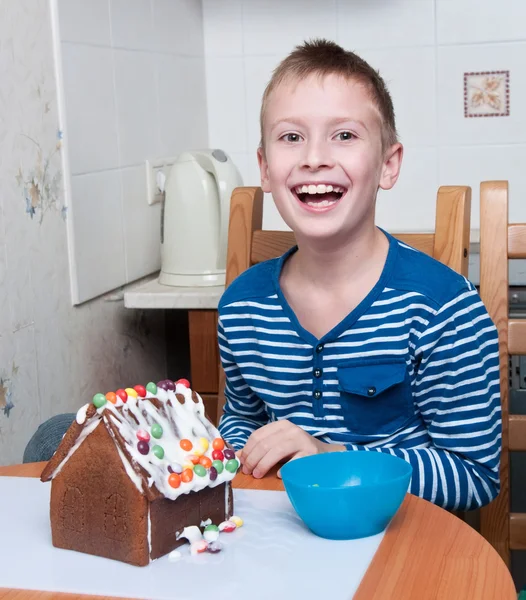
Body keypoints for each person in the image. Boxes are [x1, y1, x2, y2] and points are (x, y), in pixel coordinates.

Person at [216, 38, 501, 512]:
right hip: (281, 544)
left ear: (388, 165)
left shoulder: (442, 309)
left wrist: (334, 459)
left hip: (400, 549)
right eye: (291, 137)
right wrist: (233, 450)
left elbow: (473, 475)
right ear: (265, 169)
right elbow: (241, 423)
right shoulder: (242, 306)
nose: (314, 157)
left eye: (344, 135)